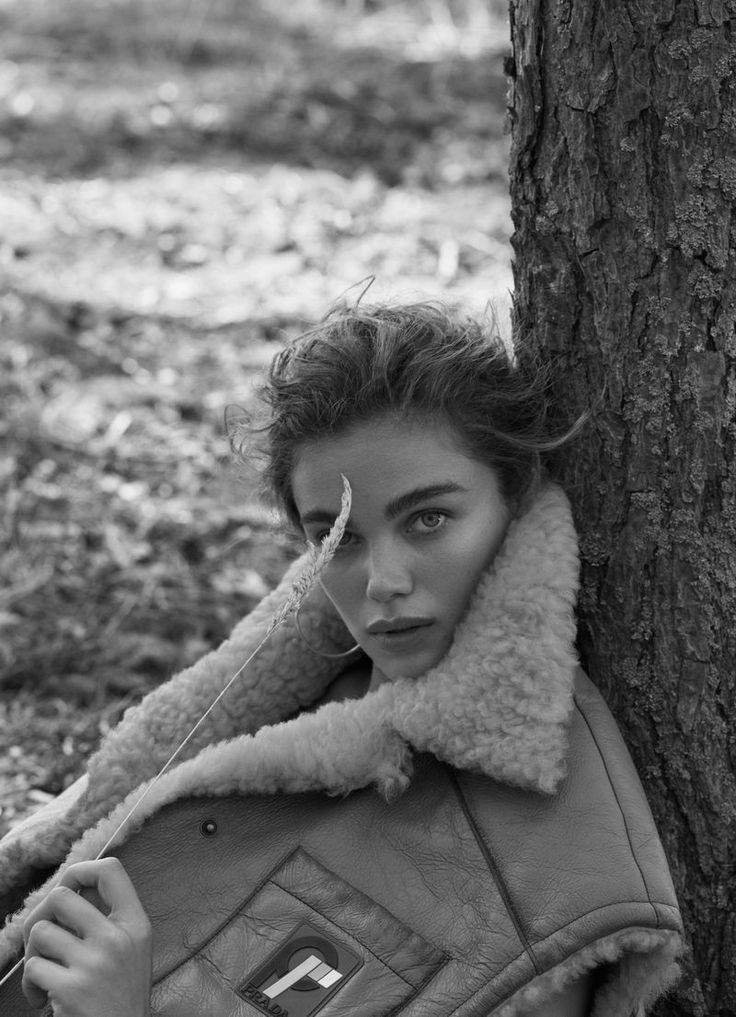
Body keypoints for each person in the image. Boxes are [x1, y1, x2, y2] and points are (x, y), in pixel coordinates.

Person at [0, 302, 683, 1017]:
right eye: (340, 537)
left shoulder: (547, 868)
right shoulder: (277, 683)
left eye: (429, 518)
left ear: (513, 501)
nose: (383, 580)